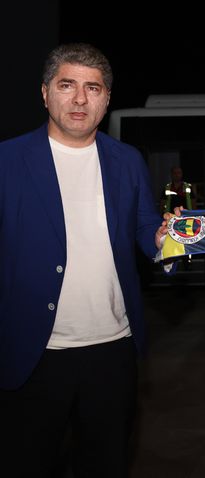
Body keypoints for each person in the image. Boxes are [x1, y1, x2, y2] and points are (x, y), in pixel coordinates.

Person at [0, 43, 169, 477]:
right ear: (45, 93)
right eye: (67, 85)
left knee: (106, 464)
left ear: (106, 99)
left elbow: (145, 229)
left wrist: (164, 239)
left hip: (113, 351)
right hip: (33, 355)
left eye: (92, 88)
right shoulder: (7, 161)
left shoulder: (127, 160)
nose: (79, 99)